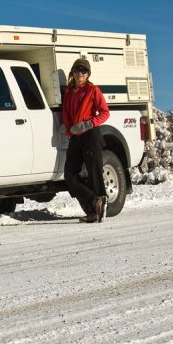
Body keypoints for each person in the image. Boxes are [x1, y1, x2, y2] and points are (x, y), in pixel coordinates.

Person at [61, 59, 110, 223]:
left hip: (90, 134)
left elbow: (104, 112)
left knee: (94, 172)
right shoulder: (69, 92)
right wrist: (67, 128)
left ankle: (95, 212)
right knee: (69, 175)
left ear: (88, 74)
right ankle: (93, 202)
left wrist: (89, 123)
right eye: (76, 71)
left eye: (83, 71)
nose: (79, 74)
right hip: (76, 136)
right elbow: (67, 114)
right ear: (72, 73)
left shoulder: (92, 90)